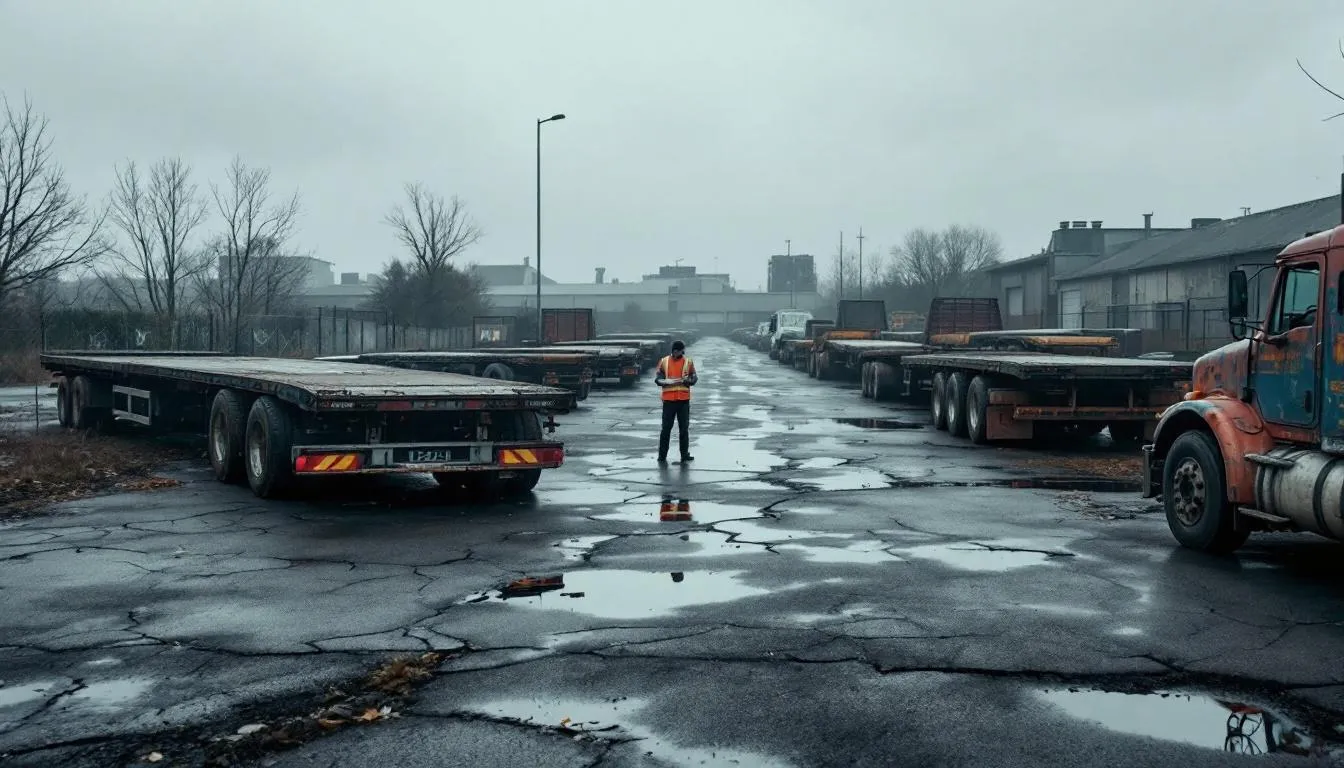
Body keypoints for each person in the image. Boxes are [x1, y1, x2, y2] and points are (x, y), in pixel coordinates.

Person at [655, 339, 697, 463]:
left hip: (683, 401)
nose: (677, 353)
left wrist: (689, 381)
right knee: (666, 429)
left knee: (684, 429)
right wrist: (662, 381)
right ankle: (662, 456)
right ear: (672, 350)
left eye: (679, 350)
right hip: (668, 401)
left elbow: (694, 377)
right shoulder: (664, 361)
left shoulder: (688, 362)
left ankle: (684, 454)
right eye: (675, 350)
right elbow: (658, 378)